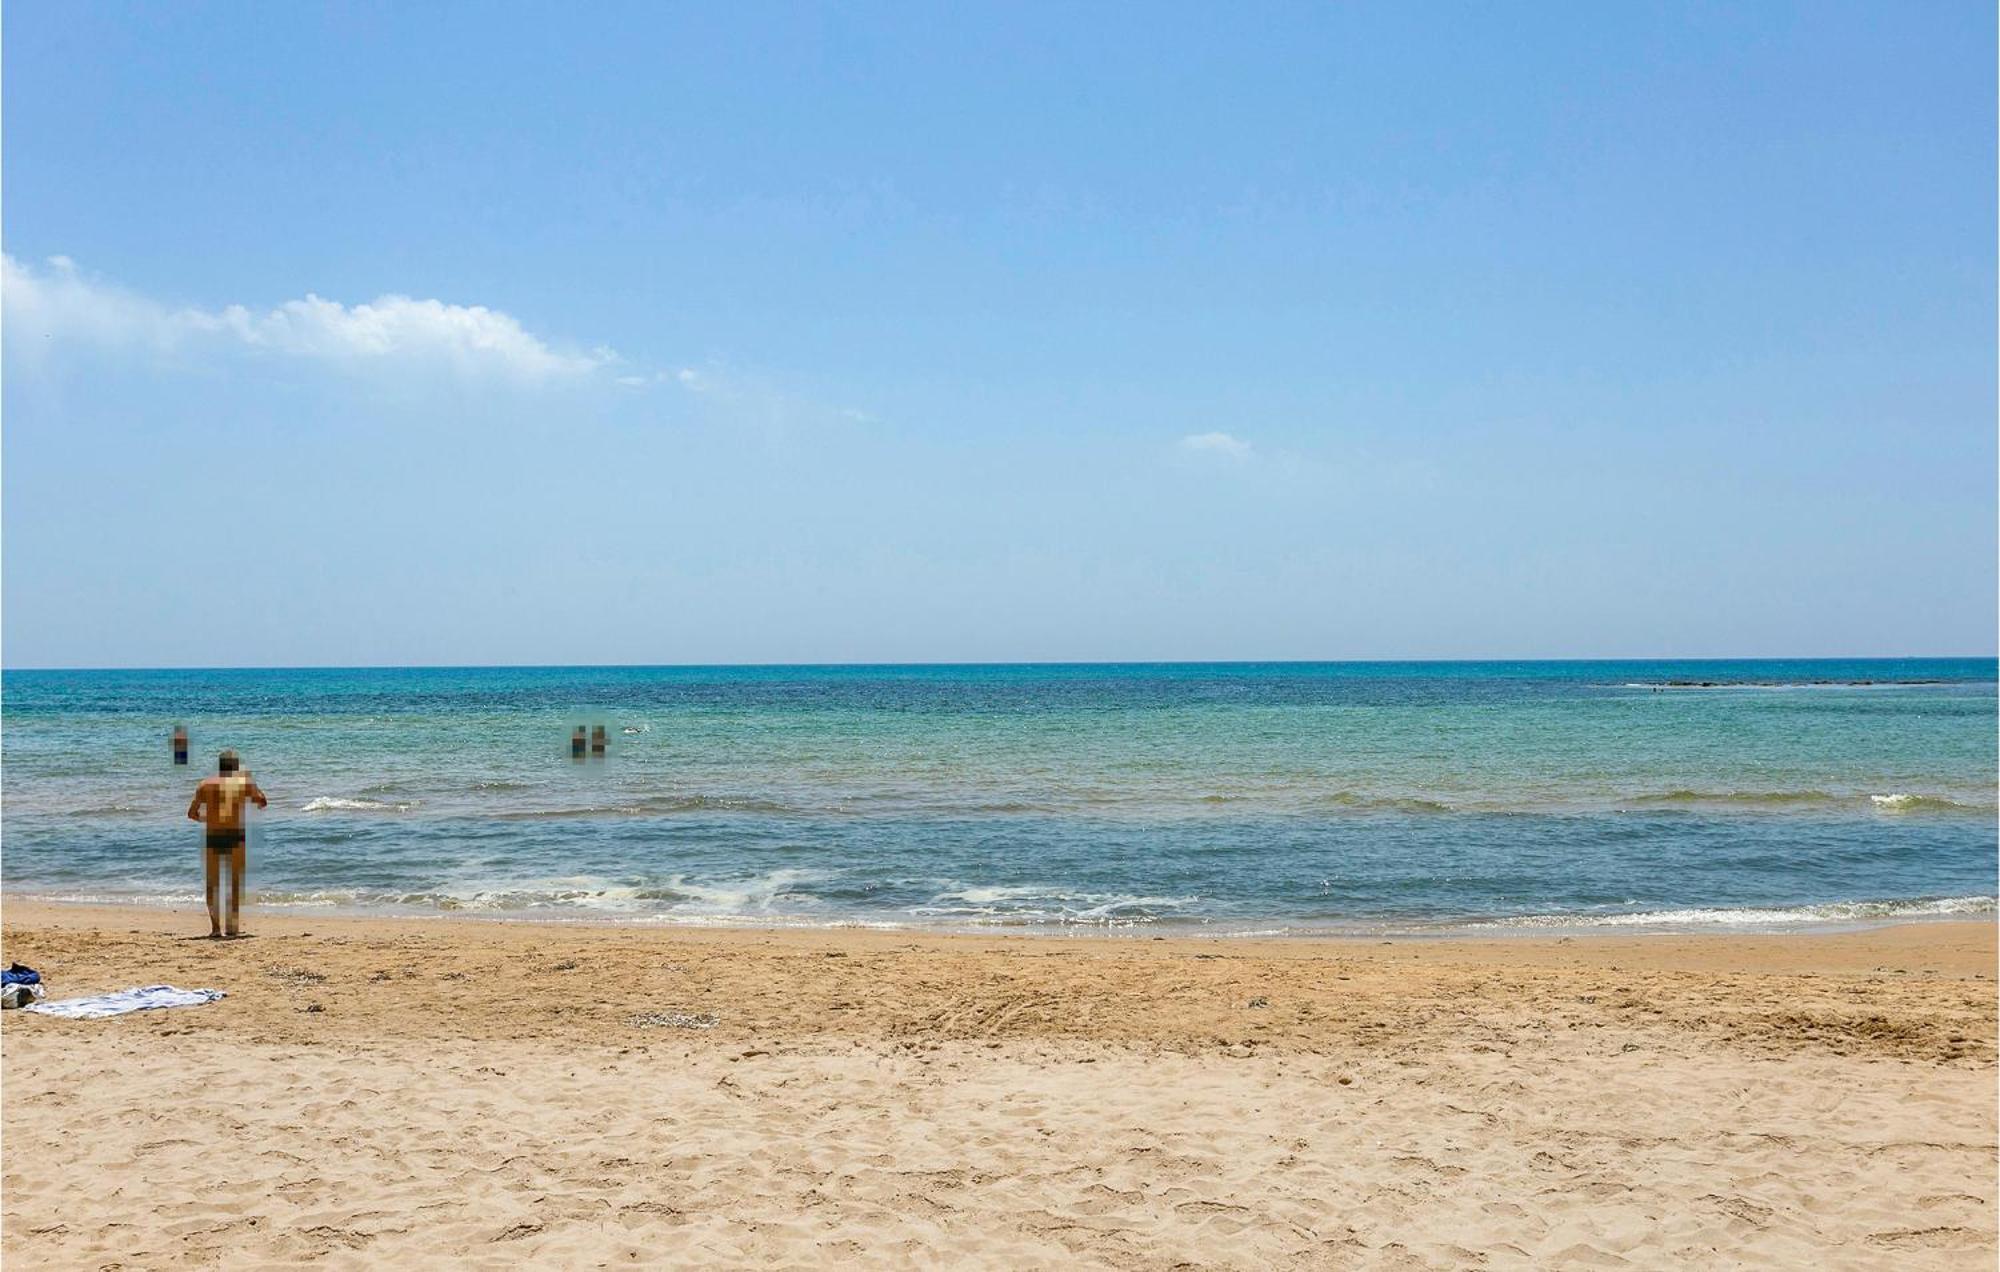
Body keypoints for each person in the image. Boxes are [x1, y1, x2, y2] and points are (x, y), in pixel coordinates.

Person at [186, 750, 267, 938]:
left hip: (213, 835)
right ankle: (232, 927)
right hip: (235, 836)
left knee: (212, 883)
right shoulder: (243, 784)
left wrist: (208, 819)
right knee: (235, 883)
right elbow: (262, 802)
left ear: (220, 766)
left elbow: (191, 813)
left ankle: (215, 929)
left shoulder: (204, 785)